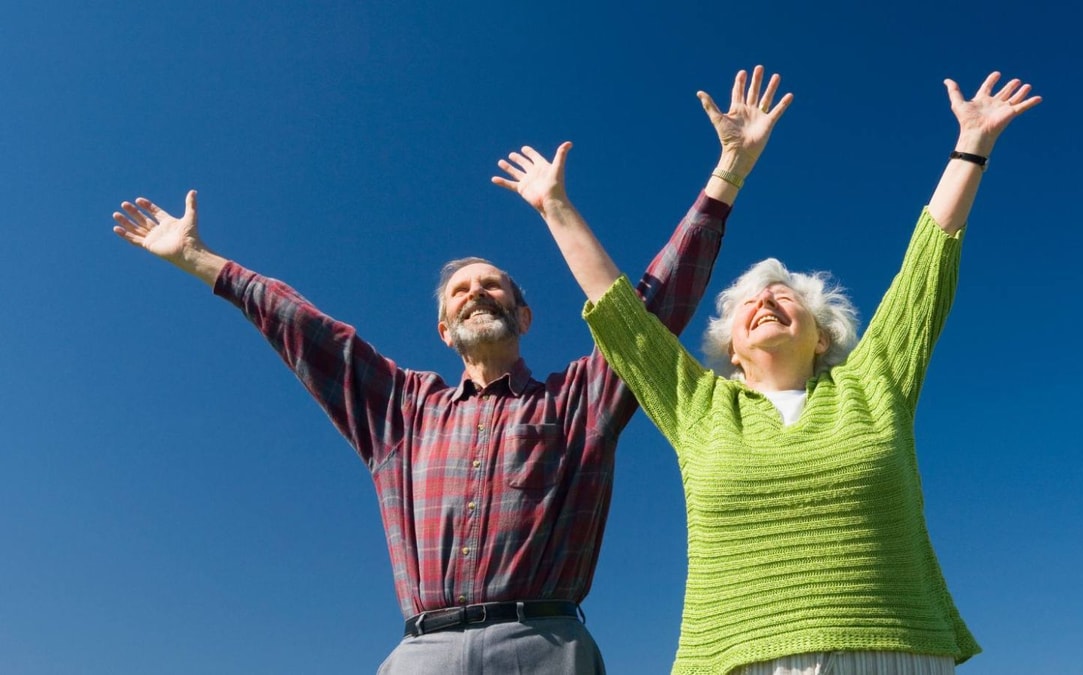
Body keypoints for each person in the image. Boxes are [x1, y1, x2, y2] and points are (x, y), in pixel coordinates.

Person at [110, 66, 792, 674]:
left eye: (494, 285)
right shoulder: (400, 411)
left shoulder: (580, 399)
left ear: (525, 317)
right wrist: (202, 261)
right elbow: (306, 330)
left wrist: (725, 176)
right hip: (422, 652)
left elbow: (652, 306)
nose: (477, 292)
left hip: (543, 643)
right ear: (443, 328)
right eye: (461, 290)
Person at [525, 71, 1041, 674]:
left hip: (894, 651)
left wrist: (971, 144)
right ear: (732, 347)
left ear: (822, 336)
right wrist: (555, 206)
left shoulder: (874, 382)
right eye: (749, 301)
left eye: (785, 296)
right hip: (738, 659)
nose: (766, 301)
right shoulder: (698, 405)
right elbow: (619, 315)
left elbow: (926, 267)